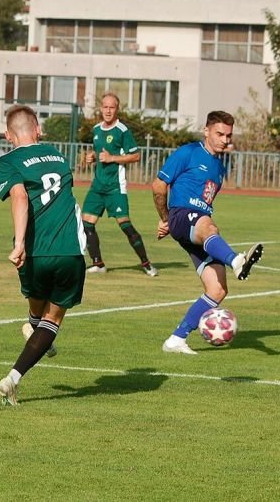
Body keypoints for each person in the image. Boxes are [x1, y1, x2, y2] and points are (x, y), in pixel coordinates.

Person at [0, 104, 87, 406]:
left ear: (8, 135)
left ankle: (35, 331)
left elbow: (19, 196)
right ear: (39, 130)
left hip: (34, 253)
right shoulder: (58, 157)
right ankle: (13, 378)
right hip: (70, 252)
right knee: (52, 319)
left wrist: (19, 243)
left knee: (38, 313)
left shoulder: (7, 162)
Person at [152, 110, 264, 355]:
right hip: (183, 215)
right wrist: (166, 218)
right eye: (219, 134)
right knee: (209, 226)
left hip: (196, 225)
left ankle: (176, 339)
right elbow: (159, 185)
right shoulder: (188, 152)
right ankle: (236, 260)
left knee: (218, 289)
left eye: (228, 135)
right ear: (206, 131)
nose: (225, 139)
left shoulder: (219, 168)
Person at [82, 93, 158, 276]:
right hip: (97, 186)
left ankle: (146, 264)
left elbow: (136, 155)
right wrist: (91, 157)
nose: (108, 111)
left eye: (112, 107)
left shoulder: (122, 131)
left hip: (115, 186)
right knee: (86, 225)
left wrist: (112, 158)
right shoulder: (96, 130)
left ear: (117, 109)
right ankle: (98, 264)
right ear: (101, 108)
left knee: (125, 226)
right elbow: (98, 152)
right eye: (105, 107)